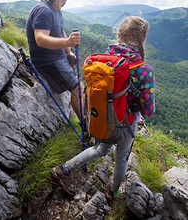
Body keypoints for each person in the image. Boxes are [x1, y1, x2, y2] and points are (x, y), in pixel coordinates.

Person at [50, 16, 155, 201]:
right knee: (122, 158)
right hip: (126, 123)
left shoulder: (104, 58)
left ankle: (63, 169)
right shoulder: (144, 70)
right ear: (143, 37)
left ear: (119, 34)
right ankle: (113, 192)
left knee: (101, 149)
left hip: (101, 118)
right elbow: (148, 111)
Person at [26, 0, 83, 121]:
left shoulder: (54, 8)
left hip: (58, 57)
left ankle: (89, 122)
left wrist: (69, 52)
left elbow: (60, 31)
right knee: (78, 89)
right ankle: (88, 128)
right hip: (47, 61)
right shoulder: (43, 10)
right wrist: (68, 42)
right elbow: (40, 39)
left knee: (80, 83)